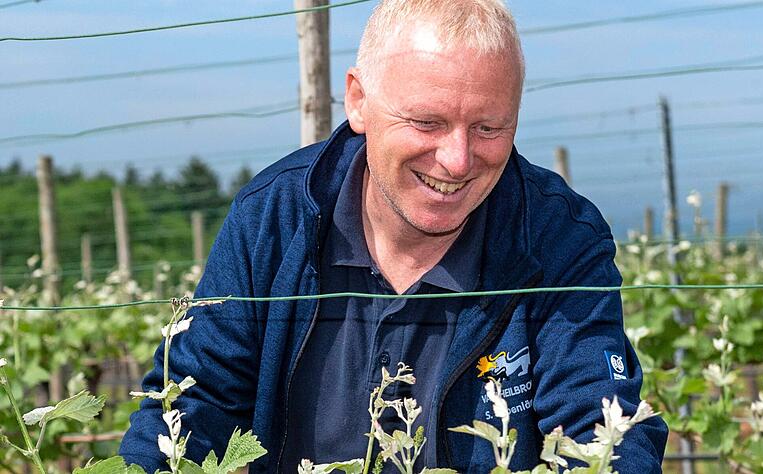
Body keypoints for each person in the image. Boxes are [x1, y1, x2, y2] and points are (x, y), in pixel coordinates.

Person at [120, 1, 668, 472]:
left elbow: (601, 433)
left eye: (489, 128)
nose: (456, 161)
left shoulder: (555, 238)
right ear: (358, 101)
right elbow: (190, 408)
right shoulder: (274, 218)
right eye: (427, 123)